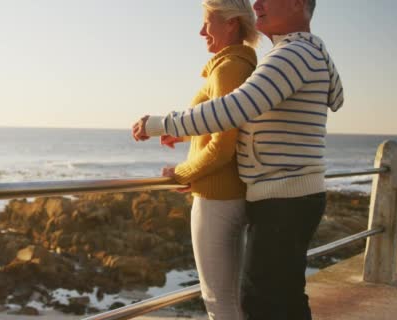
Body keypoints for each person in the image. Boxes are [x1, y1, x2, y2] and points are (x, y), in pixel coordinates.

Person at [132, 0, 344, 319]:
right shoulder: (307, 50)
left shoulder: (291, 54)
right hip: (293, 195)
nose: (257, 3)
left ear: (298, 3)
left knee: (267, 303)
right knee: (281, 297)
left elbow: (234, 109)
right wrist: (189, 135)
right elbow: (336, 97)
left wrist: (160, 123)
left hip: (284, 198)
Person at [155, 1, 258, 319]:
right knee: (229, 297)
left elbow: (223, 146)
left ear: (231, 24)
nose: (201, 31)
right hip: (228, 195)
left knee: (218, 300)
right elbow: (222, 125)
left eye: (207, 22)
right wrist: (185, 136)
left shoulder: (229, 69)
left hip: (217, 198)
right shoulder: (237, 66)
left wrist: (184, 173)